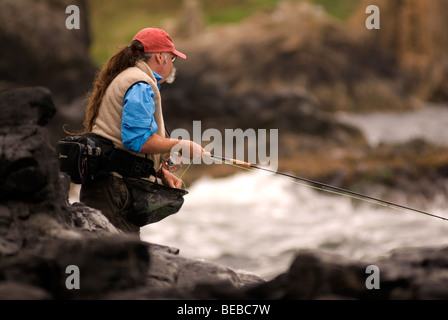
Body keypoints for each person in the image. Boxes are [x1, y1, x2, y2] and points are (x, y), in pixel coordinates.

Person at [79, 27, 203, 234]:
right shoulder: (140, 84)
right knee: (121, 262)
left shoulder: (127, 76)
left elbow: (120, 140)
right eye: (172, 58)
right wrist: (180, 145)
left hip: (105, 185)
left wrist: (159, 172)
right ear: (161, 57)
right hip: (113, 190)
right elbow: (137, 141)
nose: (173, 64)